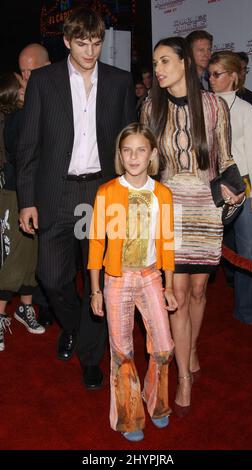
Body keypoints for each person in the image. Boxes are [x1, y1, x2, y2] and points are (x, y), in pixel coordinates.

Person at [16, 7, 136, 389]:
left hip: (101, 191)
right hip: (57, 190)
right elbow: (28, 145)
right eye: (82, 42)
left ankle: (89, 355)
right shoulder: (44, 81)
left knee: (98, 276)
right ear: (67, 41)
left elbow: (127, 143)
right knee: (51, 277)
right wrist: (27, 200)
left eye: (97, 42)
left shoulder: (119, 82)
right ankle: (75, 327)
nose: (90, 50)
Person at [141, 36, 244, 416]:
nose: (159, 69)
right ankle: (183, 375)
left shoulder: (215, 106)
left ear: (184, 62)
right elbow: (147, 167)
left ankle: (192, 345)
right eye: (155, 63)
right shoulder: (151, 107)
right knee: (178, 295)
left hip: (205, 208)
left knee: (199, 292)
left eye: (165, 60)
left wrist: (235, 189)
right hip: (169, 209)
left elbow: (226, 159)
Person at [88, 122, 177, 441]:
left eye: (141, 150)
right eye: (127, 151)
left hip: (151, 274)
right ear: (120, 155)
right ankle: (128, 416)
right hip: (116, 278)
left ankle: (156, 402)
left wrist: (168, 284)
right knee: (122, 351)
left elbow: (167, 240)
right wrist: (95, 288)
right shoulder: (107, 192)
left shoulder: (163, 194)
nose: (134, 156)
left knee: (164, 346)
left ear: (152, 154)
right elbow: (96, 241)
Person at [209, 51, 252, 324]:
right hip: (212, 188)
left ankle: (246, 310)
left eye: (217, 74)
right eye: (210, 74)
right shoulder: (205, 105)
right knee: (204, 249)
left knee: (247, 253)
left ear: (234, 76)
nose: (211, 79)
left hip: (244, 186)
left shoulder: (246, 109)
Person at [0, 72, 45, 352]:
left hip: (30, 194)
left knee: (31, 254)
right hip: (12, 195)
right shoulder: (17, 118)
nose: (27, 83)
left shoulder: (19, 115)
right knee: (12, 255)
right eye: (23, 82)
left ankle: (25, 308)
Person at [18, 43, 54, 327]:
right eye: (23, 71)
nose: (27, 77)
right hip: (30, 191)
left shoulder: (62, 95)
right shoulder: (16, 102)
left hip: (62, 190)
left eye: (33, 70)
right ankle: (41, 304)